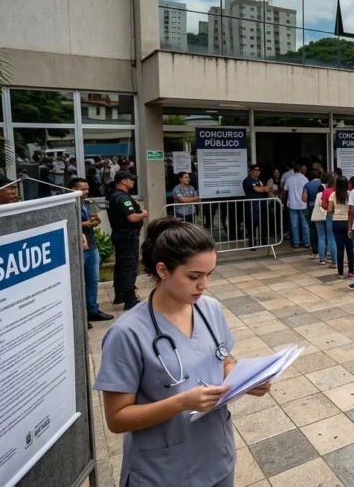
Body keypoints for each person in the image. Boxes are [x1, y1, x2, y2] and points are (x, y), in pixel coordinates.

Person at [94, 218, 272, 487]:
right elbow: (117, 419)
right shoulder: (127, 333)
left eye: (209, 274)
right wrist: (182, 402)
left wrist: (246, 382)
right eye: (194, 276)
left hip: (216, 457)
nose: (204, 285)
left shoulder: (209, 309)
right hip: (163, 470)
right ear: (163, 270)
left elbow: (221, 361)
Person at [71, 178, 113, 324]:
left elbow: (95, 220)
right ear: (72, 189)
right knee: (79, 283)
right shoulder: (69, 205)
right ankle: (80, 316)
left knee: (93, 281)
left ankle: (92, 311)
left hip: (92, 246)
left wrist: (94, 222)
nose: (86, 192)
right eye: (82, 189)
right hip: (78, 248)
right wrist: (86, 223)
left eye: (87, 189)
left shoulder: (86, 204)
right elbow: (69, 222)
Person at [107, 170, 147, 310]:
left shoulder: (111, 195)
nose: (133, 181)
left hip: (119, 234)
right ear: (123, 181)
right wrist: (143, 214)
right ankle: (130, 299)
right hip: (127, 236)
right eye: (131, 179)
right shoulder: (122, 197)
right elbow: (132, 217)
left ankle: (120, 295)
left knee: (120, 265)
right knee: (129, 266)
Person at [329, 176, 354, 280]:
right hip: (348, 222)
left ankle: (340, 272)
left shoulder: (333, 195)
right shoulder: (350, 194)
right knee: (350, 248)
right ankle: (351, 271)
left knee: (339, 248)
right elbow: (353, 209)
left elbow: (330, 210)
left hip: (337, 222)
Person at [242, 164, 272, 248]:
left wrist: (265, 188)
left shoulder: (259, 181)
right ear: (251, 171)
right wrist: (265, 188)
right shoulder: (248, 181)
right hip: (252, 206)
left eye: (259, 170)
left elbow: (264, 189)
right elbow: (259, 189)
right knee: (252, 225)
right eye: (256, 170)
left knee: (262, 224)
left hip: (261, 205)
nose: (258, 172)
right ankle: (252, 243)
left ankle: (263, 240)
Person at [284, 163, 310, 249]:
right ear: (300, 170)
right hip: (303, 204)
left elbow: (285, 191)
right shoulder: (305, 179)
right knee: (305, 224)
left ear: (293, 170)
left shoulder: (289, 179)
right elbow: (307, 191)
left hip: (293, 204)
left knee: (294, 224)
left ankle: (295, 243)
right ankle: (306, 243)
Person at [311, 183, 335, 266]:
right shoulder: (331, 194)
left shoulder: (318, 195)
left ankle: (322, 259)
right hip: (328, 216)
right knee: (330, 236)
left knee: (321, 237)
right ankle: (330, 255)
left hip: (318, 217)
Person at [302, 169, 324, 258]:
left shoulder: (307, 185)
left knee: (312, 229)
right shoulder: (322, 184)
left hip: (311, 207)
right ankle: (324, 250)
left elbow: (304, 198)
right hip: (322, 207)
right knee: (322, 230)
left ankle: (315, 250)